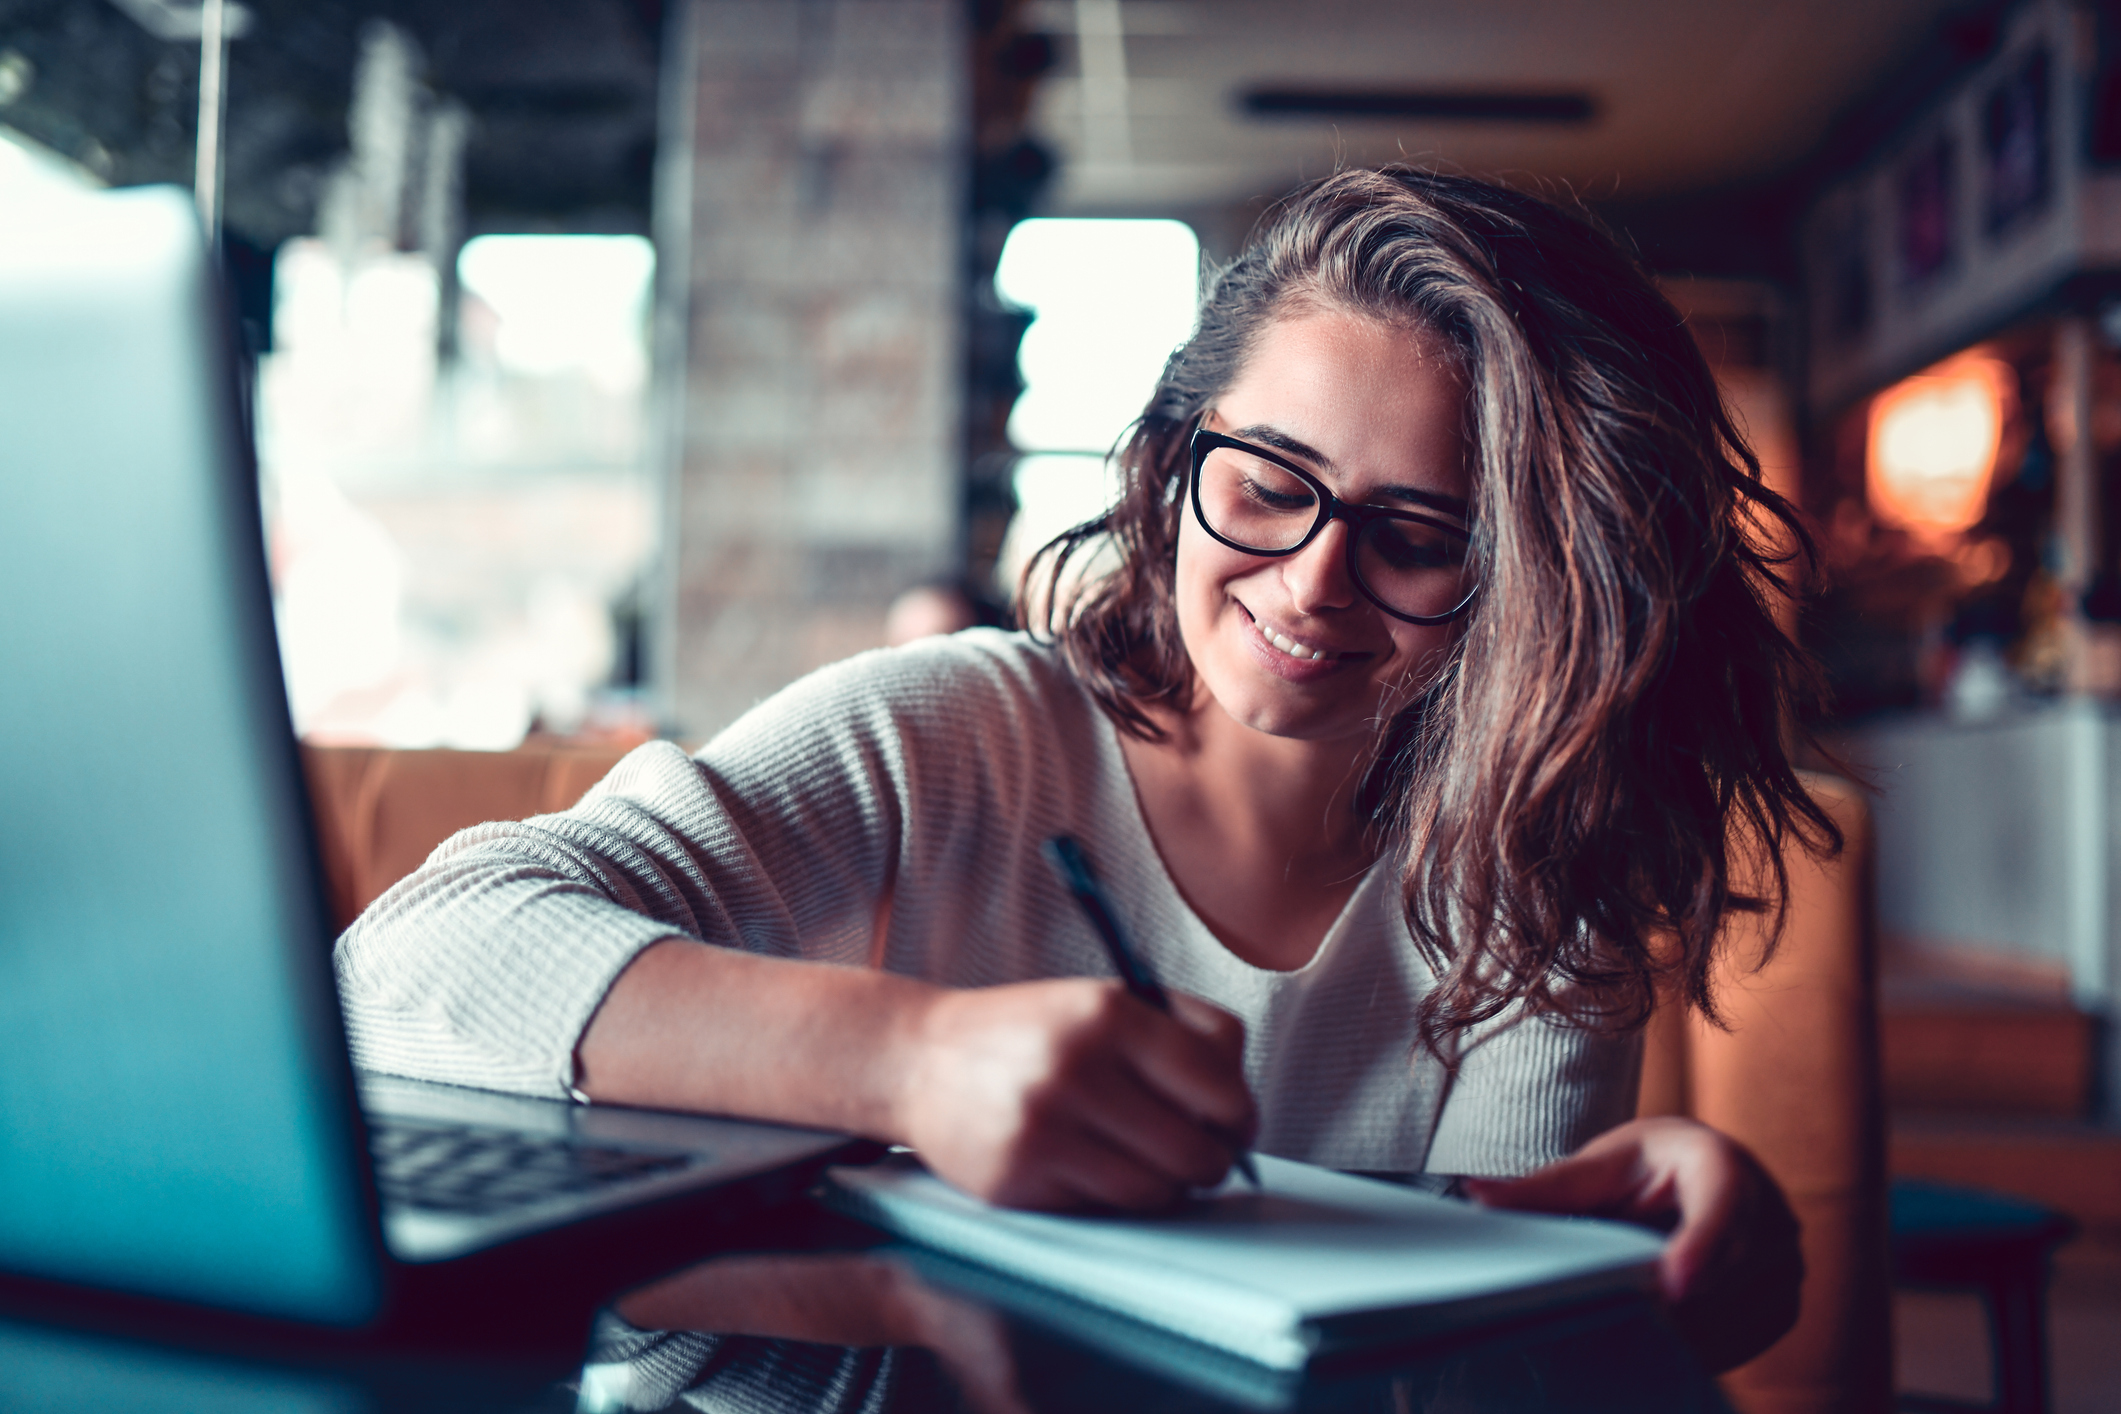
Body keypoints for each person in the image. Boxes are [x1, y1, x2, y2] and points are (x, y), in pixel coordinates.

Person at [335, 168, 1832, 1372]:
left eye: (1419, 534)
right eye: (1265, 486)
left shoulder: (1529, 892)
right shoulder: (948, 732)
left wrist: (1633, 1298)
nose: (1310, 583)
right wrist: (908, 1059)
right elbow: (402, 966)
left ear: (1530, 584)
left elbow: (1445, 1374)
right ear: (1173, 463)